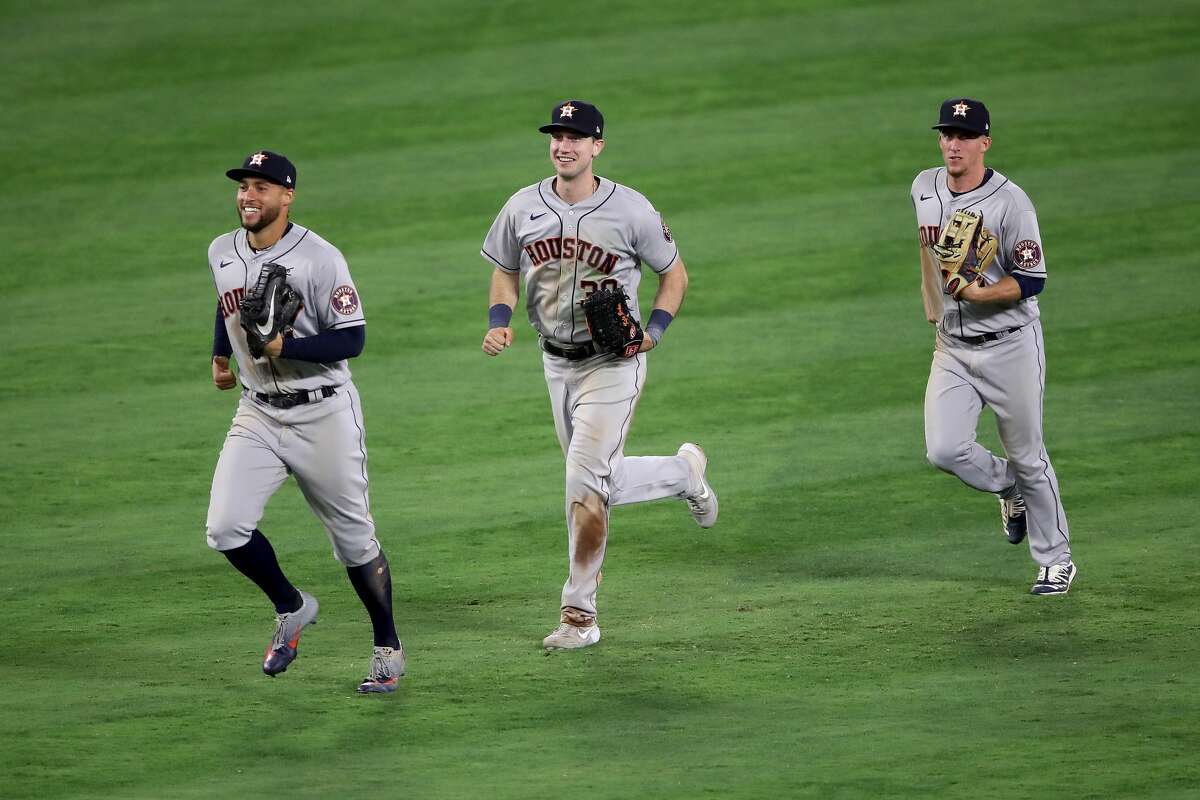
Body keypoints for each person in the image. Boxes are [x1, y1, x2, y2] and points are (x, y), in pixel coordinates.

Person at [480, 100, 718, 650]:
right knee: (594, 480)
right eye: (557, 137)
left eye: (576, 137)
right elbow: (504, 272)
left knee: (583, 482)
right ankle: (684, 475)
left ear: (597, 147)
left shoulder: (631, 211)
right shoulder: (522, 206)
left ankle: (579, 616)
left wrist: (654, 332)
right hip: (553, 362)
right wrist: (500, 322)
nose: (564, 145)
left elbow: (674, 275)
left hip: (612, 364)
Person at [206, 149, 405, 691]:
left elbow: (353, 338)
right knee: (224, 529)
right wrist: (221, 355)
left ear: (287, 196)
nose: (249, 195)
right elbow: (231, 306)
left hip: (324, 413)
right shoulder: (221, 249)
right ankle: (291, 607)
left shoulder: (321, 258)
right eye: (243, 186)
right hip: (257, 413)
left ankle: (387, 647)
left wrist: (284, 344)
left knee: (355, 543)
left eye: (262, 187)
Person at [911, 99, 1076, 595]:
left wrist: (979, 292)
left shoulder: (1012, 204)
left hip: (1010, 346)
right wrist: (934, 303)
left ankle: (1056, 560)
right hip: (952, 347)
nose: (953, 144)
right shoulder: (923, 187)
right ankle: (1009, 489)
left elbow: (1033, 278)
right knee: (943, 449)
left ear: (985, 141)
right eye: (946, 134)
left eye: (964, 136)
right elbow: (925, 250)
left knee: (1029, 455)